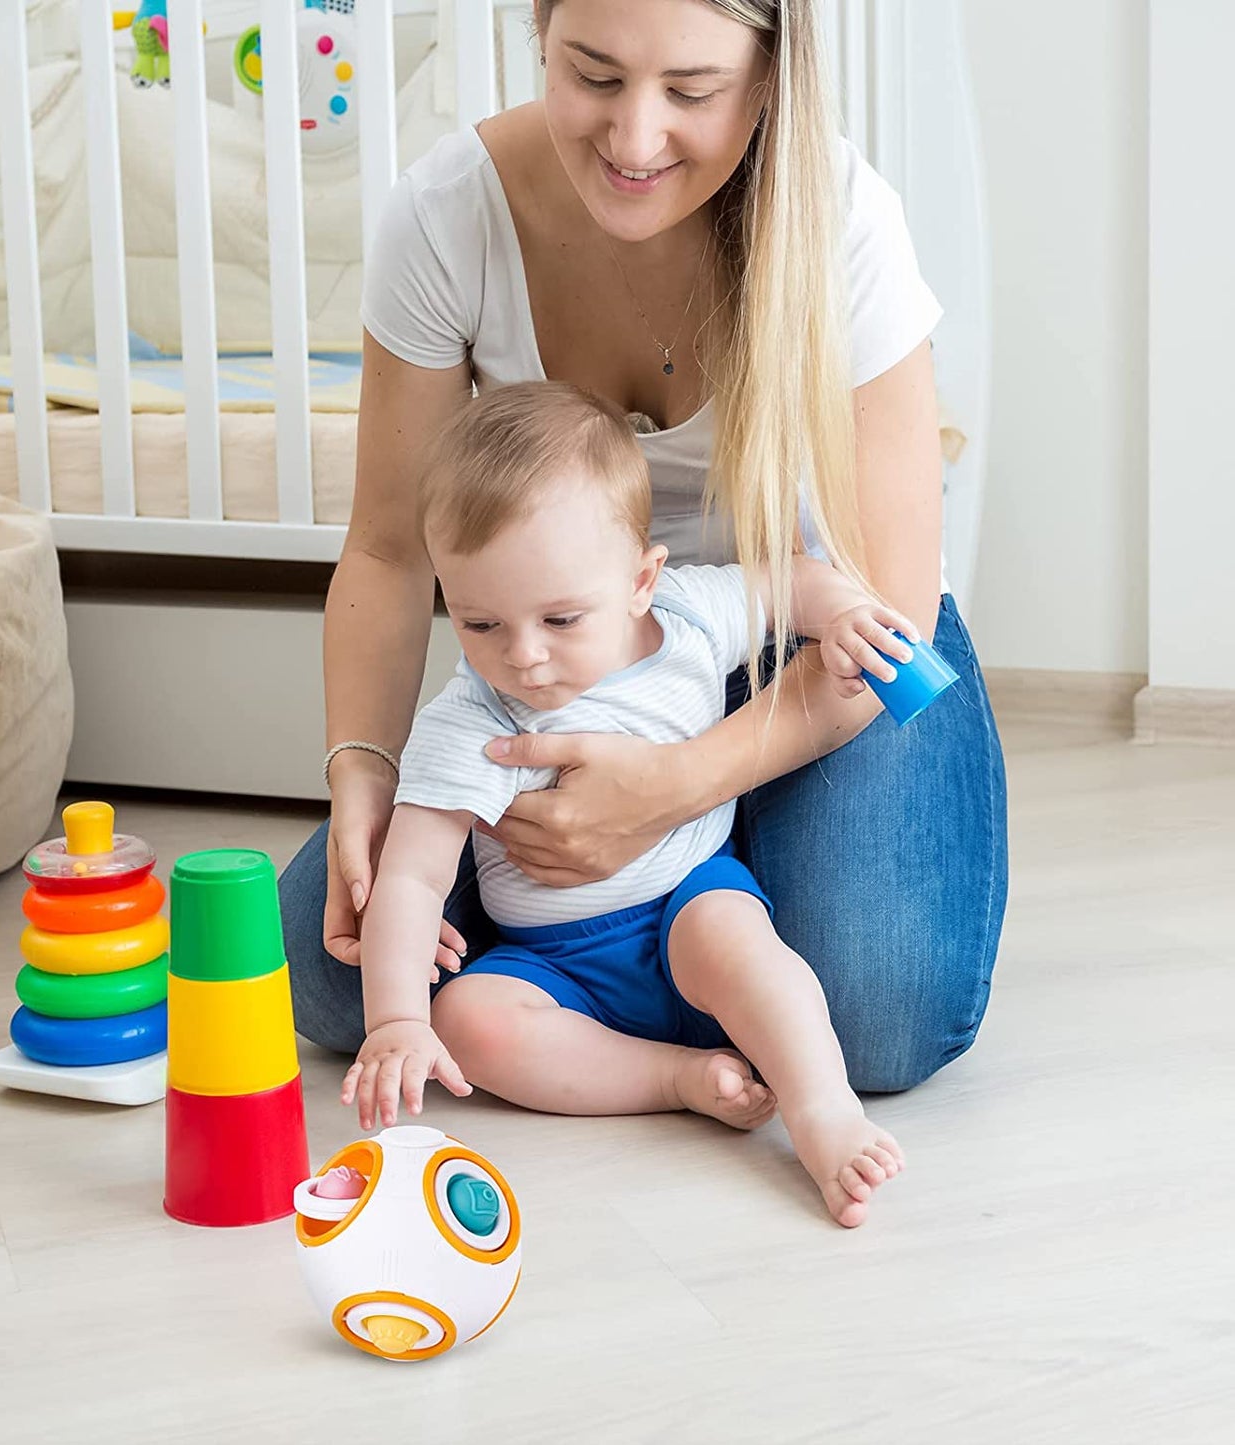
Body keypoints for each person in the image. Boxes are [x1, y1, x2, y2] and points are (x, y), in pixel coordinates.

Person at [283, 0, 1007, 1099]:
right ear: (537, 33)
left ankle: (733, 868)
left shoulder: (840, 224)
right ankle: (691, 972)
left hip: (819, 647)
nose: (632, 139)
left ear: (767, 77)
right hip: (582, 663)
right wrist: (364, 772)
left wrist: (668, 785)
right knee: (333, 979)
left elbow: (888, 619)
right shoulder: (446, 217)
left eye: (691, 92)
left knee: (876, 1022)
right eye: (593, 74)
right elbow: (388, 549)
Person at [345, 381, 914, 1226]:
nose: (524, 657)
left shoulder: (690, 617)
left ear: (643, 578)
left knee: (745, 948)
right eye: (480, 625)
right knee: (466, 1019)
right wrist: (395, 1018)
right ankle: (672, 1077)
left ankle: (822, 1111)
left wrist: (841, 618)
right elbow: (412, 881)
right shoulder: (468, 719)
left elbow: (792, 580)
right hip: (552, 962)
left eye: (561, 618)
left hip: (686, 902)